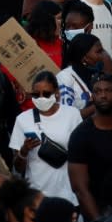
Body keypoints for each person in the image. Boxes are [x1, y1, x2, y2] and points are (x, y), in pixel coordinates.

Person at [10, 71, 82, 204]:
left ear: (56, 92)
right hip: (36, 196)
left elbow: (82, 155)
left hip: (68, 194)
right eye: (36, 95)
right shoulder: (22, 119)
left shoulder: (72, 115)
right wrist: (24, 151)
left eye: (46, 93)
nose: (41, 98)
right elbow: (18, 168)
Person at [68, 74, 112, 222]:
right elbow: (80, 189)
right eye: (98, 91)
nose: (103, 95)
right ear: (92, 96)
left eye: (108, 90)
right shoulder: (80, 135)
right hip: (98, 212)